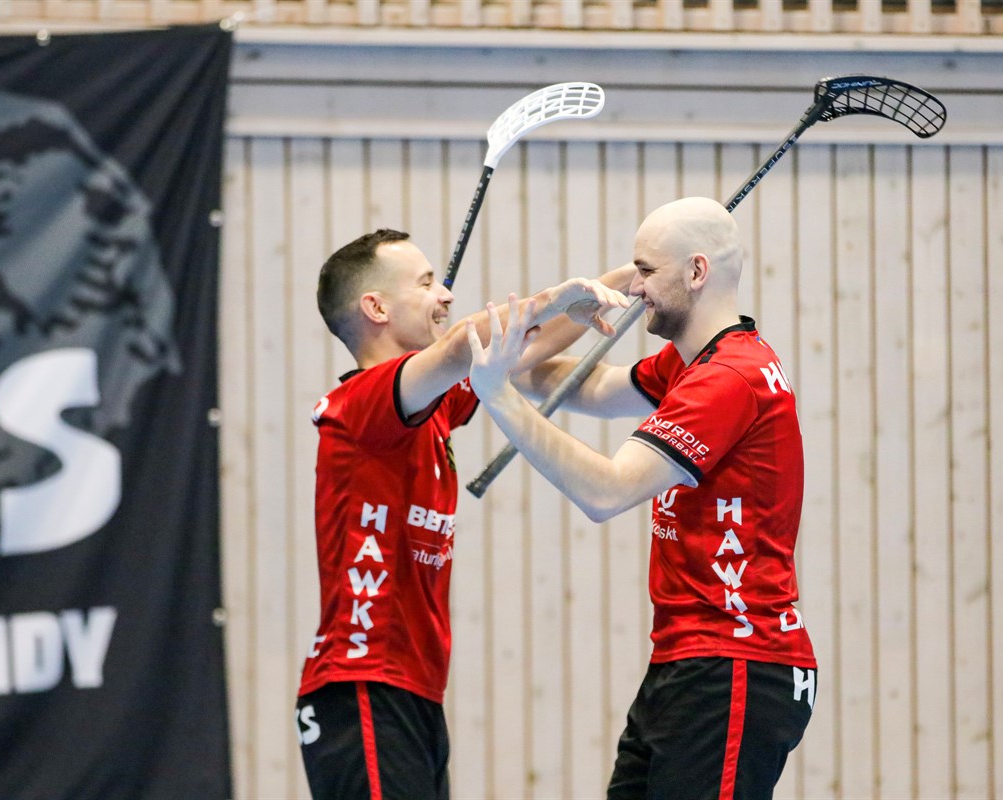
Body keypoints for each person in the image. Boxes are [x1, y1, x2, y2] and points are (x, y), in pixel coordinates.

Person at [465, 197, 817, 799]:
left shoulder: (726, 379)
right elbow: (579, 383)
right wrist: (572, 305)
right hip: (688, 662)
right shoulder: (693, 365)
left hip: (734, 661)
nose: (636, 288)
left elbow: (606, 490)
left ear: (697, 271)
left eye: (646, 271)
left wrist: (497, 396)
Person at [294, 227, 632, 800]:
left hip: (414, 692)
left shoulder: (432, 405)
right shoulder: (364, 403)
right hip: (363, 685)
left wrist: (623, 282)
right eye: (427, 283)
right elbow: (461, 348)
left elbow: (521, 349)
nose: (445, 295)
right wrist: (553, 297)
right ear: (376, 307)